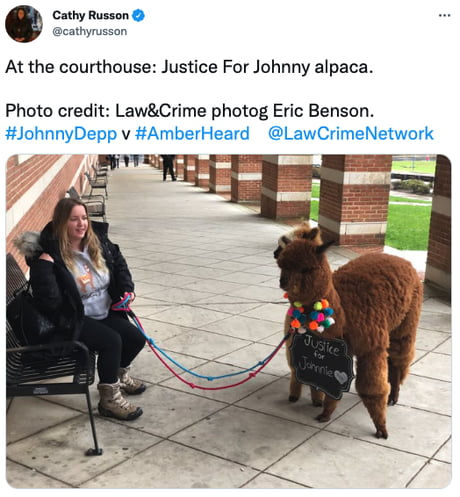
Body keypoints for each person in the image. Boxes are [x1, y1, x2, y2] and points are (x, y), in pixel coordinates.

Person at [27, 198, 146, 421]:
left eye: (84, 218)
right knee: (112, 341)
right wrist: (43, 266)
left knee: (136, 339)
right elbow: (49, 304)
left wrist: (127, 290)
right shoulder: (51, 256)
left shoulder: (97, 242)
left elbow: (119, 264)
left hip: (104, 311)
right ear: (62, 223)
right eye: (74, 219)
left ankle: (117, 378)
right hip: (74, 320)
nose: (81, 224)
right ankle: (109, 400)